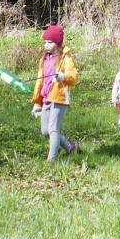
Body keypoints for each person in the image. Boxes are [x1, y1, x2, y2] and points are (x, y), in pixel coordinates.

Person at [31, 25, 78, 162]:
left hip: (60, 97)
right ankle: (70, 147)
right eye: (45, 42)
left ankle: (52, 159)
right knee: (45, 131)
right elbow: (40, 83)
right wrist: (37, 103)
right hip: (46, 97)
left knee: (53, 128)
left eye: (50, 42)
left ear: (58, 43)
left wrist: (62, 77)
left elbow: (74, 76)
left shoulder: (65, 58)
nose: (46, 45)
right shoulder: (44, 59)